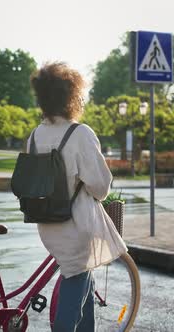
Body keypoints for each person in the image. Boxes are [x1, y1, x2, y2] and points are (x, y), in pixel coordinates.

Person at [29, 63, 128, 332]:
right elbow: (100, 188)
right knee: (73, 295)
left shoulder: (36, 134)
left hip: (46, 223)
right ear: (71, 97)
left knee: (84, 285)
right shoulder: (80, 133)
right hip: (77, 227)